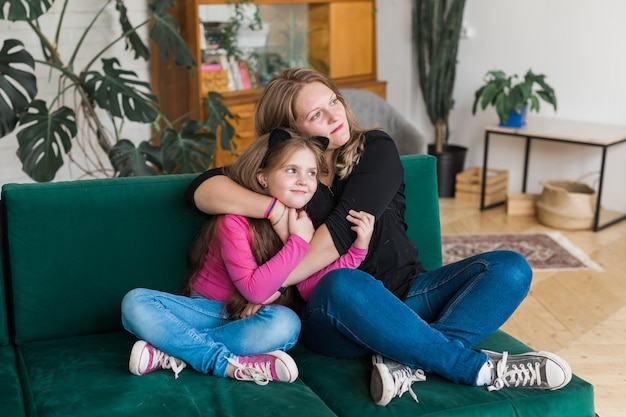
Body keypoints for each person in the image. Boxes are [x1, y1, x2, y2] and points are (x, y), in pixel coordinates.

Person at [186, 67, 573, 406]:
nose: (335, 116)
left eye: (333, 102)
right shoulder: (284, 176)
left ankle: (405, 357)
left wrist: (268, 284)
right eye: (316, 114)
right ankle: (474, 368)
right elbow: (202, 189)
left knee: (511, 268)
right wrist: (271, 207)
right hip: (334, 315)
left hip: (409, 295)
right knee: (344, 281)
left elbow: (338, 235)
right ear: (288, 132)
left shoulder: (376, 149)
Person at [121, 127, 375, 386]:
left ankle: (172, 350)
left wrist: (357, 251)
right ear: (262, 176)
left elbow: (310, 287)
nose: (304, 181)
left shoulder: (302, 223)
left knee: (287, 323)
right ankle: (223, 363)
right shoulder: (234, 222)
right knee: (135, 302)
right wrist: (297, 242)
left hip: (250, 320)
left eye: (311, 173)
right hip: (207, 310)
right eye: (292, 170)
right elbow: (254, 291)